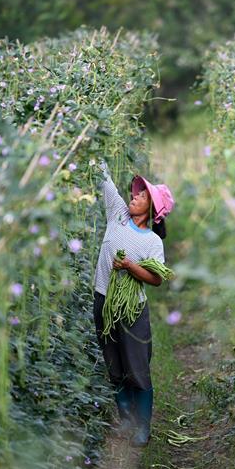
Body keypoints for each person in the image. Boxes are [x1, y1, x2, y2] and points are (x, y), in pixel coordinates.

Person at [91, 159, 174, 447]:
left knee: (137, 368)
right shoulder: (118, 215)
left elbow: (155, 279)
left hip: (133, 309)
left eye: (141, 196)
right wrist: (96, 158)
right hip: (103, 300)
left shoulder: (152, 241)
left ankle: (143, 426)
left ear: (151, 210)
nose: (134, 196)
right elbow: (106, 182)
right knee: (113, 364)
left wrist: (128, 266)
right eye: (136, 193)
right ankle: (125, 416)